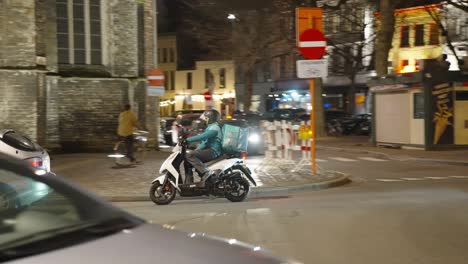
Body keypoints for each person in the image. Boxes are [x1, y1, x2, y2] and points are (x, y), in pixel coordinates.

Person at [186, 109, 223, 187]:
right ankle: (189, 182)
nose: (205, 120)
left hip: (214, 151)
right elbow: (204, 142)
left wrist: (187, 140)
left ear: (211, 118)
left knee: (189, 155)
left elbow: (202, 137)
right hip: (209, 150)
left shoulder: (214, 128)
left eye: (206, 118)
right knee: (188, 158)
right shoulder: (210, 127)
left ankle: (206, 173)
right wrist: (195, 151)